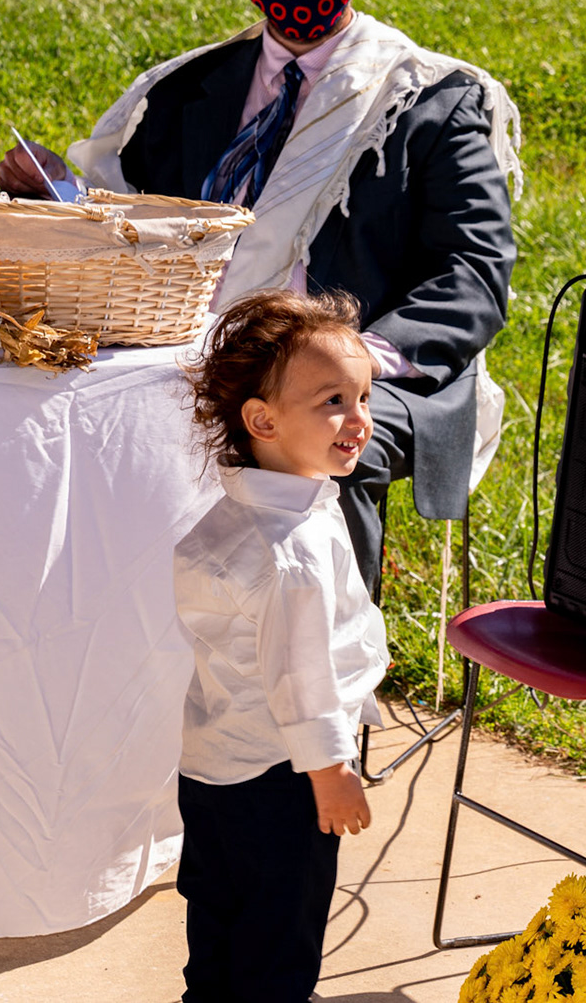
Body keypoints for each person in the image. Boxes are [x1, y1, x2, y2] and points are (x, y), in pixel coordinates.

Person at [0, 0, 519, 602]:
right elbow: (133, 215)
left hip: (371, 365)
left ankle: (329, 656)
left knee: (313, 433)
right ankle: (123, 633)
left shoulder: (429, 98)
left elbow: (473, 273)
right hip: (191, 343)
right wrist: (61, 191)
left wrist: (349, 364)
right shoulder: (190, 88)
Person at [172, 288, 390, 1002]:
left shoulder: (237, 514)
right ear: (263, 420)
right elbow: (301, 679)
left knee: (220, 917)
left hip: (214, 766)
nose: (358, 419)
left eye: (363, 397)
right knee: (280, 939)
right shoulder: (292, 551)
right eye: (333, 401)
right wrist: (330, 771)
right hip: (284, 777)